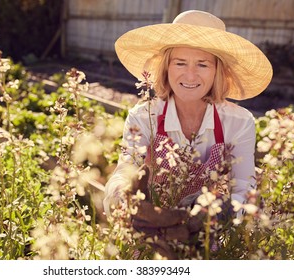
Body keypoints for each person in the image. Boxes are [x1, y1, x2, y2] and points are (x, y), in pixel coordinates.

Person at [103, 10, 272, 233]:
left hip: (209, 236)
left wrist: (222, 213)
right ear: (166, 67)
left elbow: (244, 186)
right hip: (150, 232)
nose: (190, 76)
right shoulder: (144, 117)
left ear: (217, 72)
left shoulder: (239, 123)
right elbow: (124, 171)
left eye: (202, 64)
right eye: (180, 63)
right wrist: (128, 203)